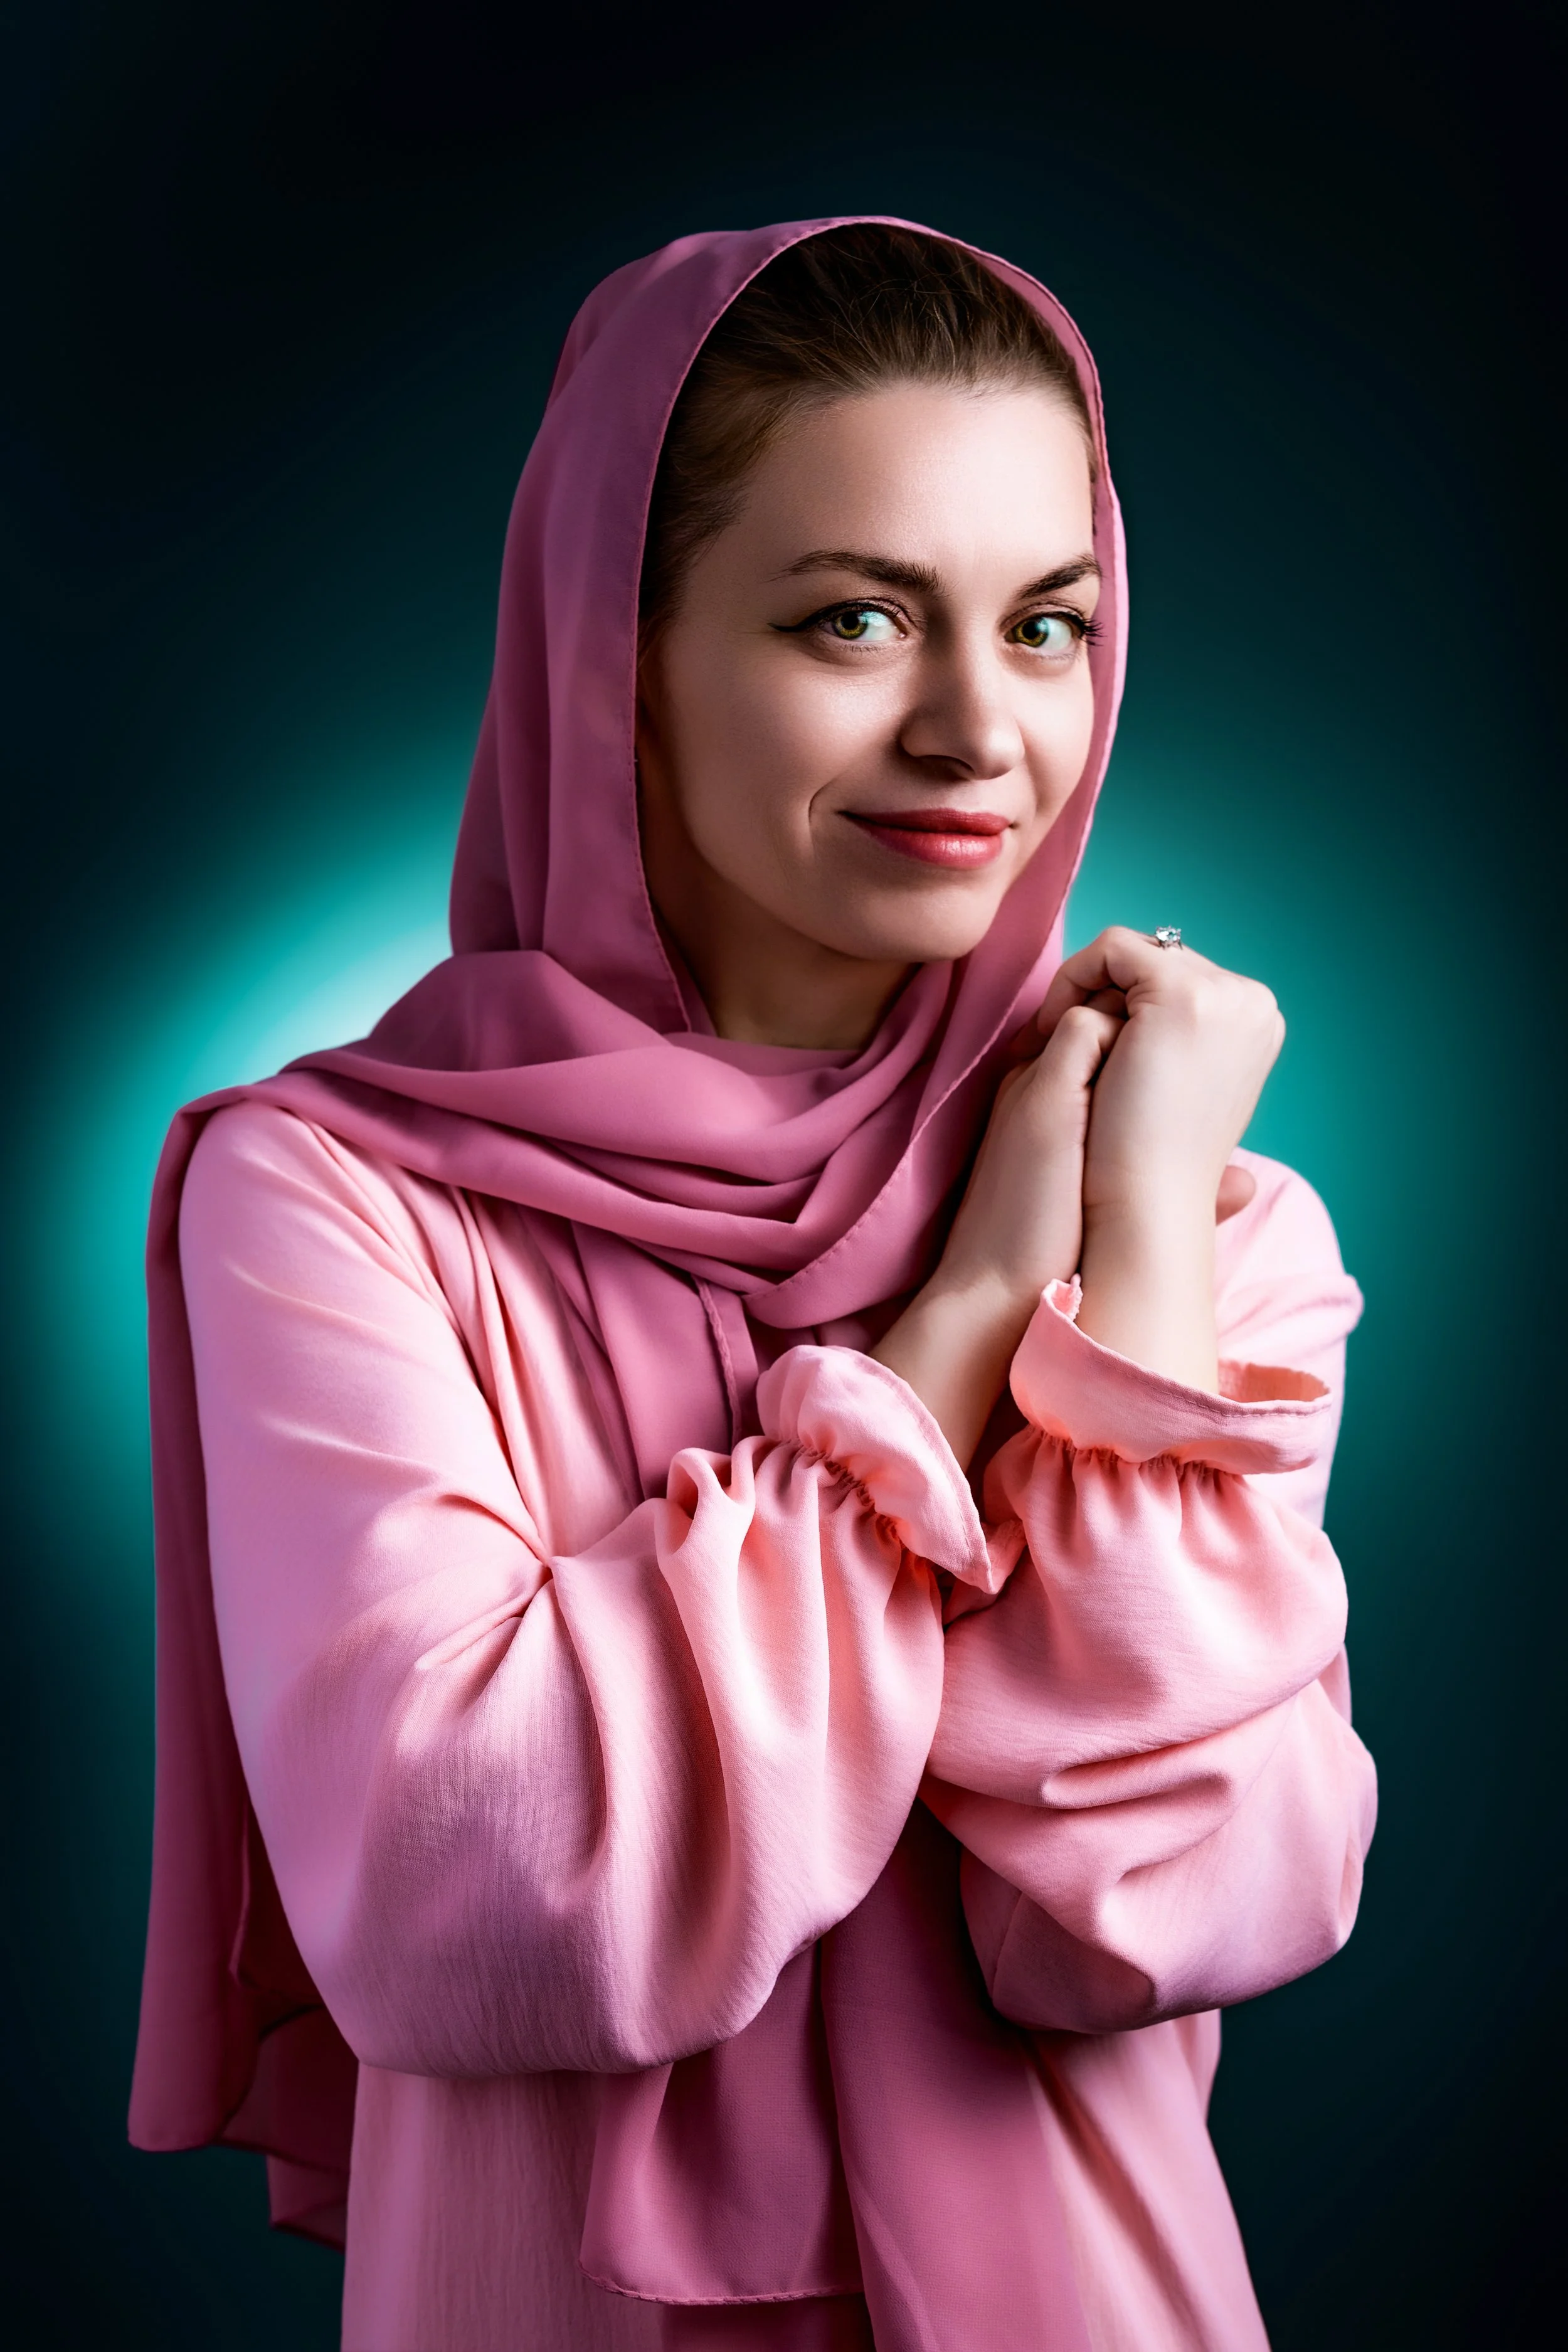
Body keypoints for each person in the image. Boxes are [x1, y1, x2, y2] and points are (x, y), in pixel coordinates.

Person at [129, 219, 1377, 2351]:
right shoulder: (331, 1199)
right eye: (859, 618)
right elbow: (477, 1902)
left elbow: (1173, 1903)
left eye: (1048, 623)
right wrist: (967, 1327)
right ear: (616, 646)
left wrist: (1132, 1252)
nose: (980, 728)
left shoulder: (1202, 1217)